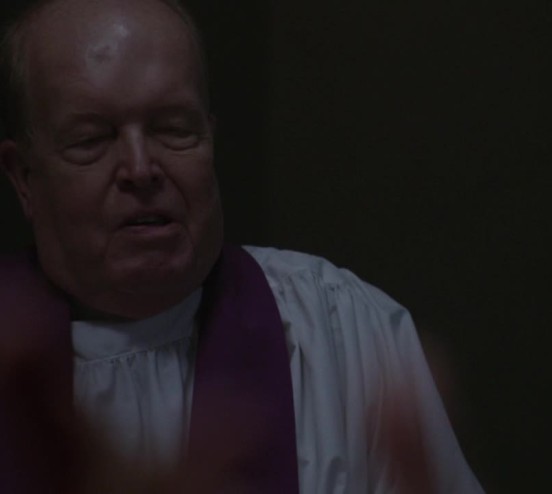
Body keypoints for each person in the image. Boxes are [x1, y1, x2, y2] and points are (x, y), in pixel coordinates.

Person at [0, 0, 483, 492]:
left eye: (173, 128)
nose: (141, 169)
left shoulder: (340, 331)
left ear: (210, 138)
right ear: (22, 177)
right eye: (91, 139)